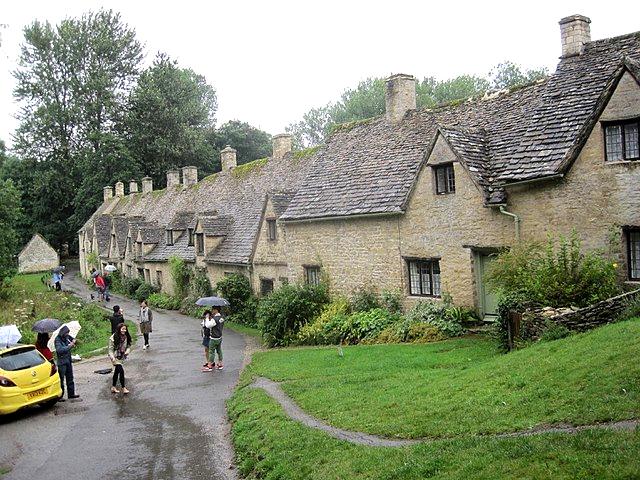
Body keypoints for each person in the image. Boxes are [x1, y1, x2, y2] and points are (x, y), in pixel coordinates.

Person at [54, 326, 80, 401]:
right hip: (62, 362)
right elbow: (60, 350)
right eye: (66, 333)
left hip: (68, 360)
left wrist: (75, 341)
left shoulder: (67, 337)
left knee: (70, 378)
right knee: (61, 380)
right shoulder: (57, 340)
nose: (68, 334)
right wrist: (70, 346)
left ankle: (71, 394)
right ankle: (60, 396)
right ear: (63, 333)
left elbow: (73, 340)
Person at [108, 323, 131, 394]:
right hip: (115, 357)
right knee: (121, 371)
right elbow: (110, 350)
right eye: (122, 329)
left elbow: (128, 346)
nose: (124, 330)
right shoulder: (113, 338)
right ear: (119, 329)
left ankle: (113, 387)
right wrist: (112, 357)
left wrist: (127, 351)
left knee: (116, 372)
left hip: (121, 356)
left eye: (125, 329)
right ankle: (123, 388)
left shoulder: (126, 336)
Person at [202, 306, 224, 372]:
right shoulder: (221, 318)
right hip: (219, 337)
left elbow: (208, 326)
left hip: (213, 338)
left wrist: (206, 318)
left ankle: (210, 366)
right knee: (219, 351)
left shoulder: (214, 319)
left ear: (216, 310)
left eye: (213, 309)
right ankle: (220, 364)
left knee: (211, 352)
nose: (212, 311)